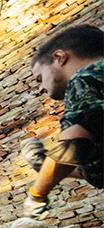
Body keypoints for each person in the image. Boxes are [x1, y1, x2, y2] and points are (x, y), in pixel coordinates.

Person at [22, 25, 103, 218]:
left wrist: (36, 194)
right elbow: (94, 163)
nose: (40, 88)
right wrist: (45, 167)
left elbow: (75, 146)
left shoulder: (86, 77)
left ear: (59, 57)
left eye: (39, 78)